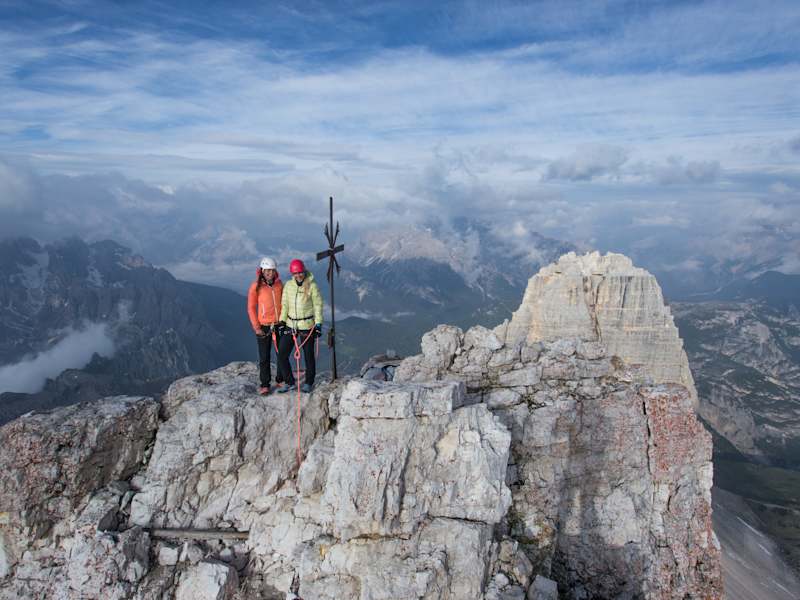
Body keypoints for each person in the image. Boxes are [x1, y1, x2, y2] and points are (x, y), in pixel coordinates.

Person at [276, 259, 323, 393]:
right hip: (291, 324)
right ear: (292, 273)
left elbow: (318, 305)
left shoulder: (312, 286)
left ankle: (309, 382)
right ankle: (289, 382)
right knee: (282, 354)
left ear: (304, 271)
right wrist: (282, 321)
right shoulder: (289, 286)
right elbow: (285, 305)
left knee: (308, 355)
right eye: (295, 273)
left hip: (307, 325)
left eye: (300, 272)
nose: (298, 275)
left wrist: (318, 324)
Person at [247, 257, 284, 395]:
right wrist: (256, 327)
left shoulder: (279, 284)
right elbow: (251, 308)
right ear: (262, 270)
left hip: (279, 323)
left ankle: (281, 379)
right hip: (264, 326)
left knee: (282, 354)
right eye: (267, 270)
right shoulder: (255, 287)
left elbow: (284, 303)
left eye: (272, 270)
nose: (270, 273)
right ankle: (265, 384)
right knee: (264, 357)